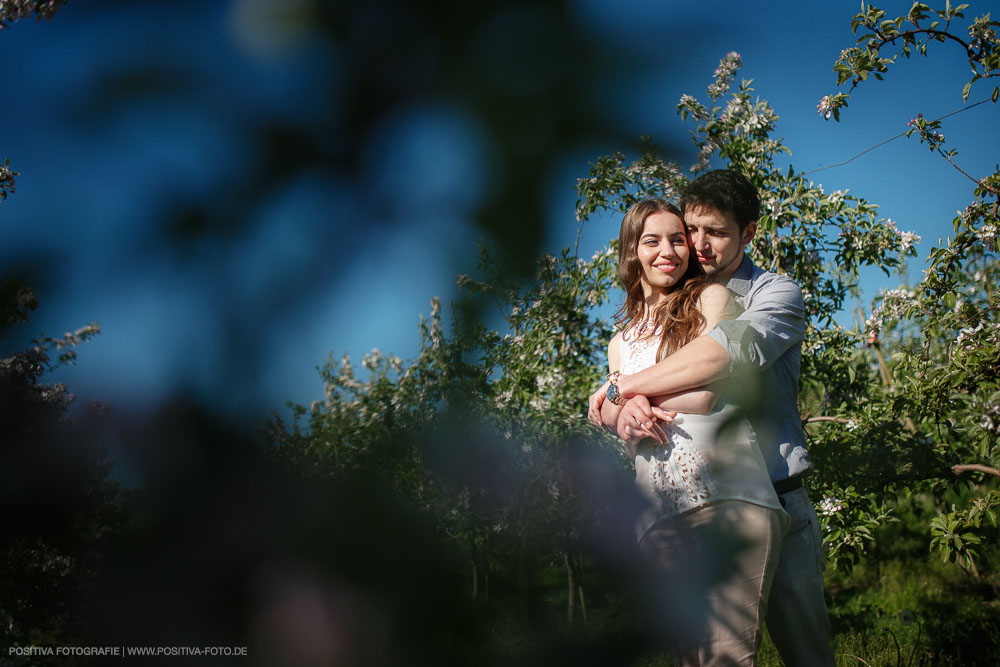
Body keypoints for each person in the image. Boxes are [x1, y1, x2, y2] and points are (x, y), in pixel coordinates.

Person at [589, 170, 836, 667]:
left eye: (715, 232)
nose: (697, 244)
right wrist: (617, 411)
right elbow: (615, 402)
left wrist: (619, 390)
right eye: (691, 229)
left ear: (747, 233)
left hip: (773, 490)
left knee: (805, 654)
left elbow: (720, 357)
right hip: (682, 499)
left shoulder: (774, 294)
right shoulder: (671, 300)